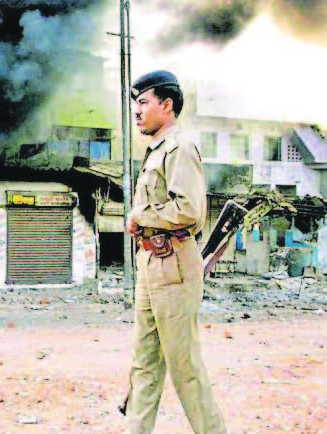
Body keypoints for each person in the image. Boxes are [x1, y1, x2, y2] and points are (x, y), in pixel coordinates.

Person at [124, 70, 227, 434]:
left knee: (184, 368)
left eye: (143, 102)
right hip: (151, 263)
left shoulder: (180, 148)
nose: (136, 110)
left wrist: (139, 215)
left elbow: (189, 210)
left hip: (175, 266)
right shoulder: (156, 152)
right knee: (144, 364)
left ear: (166, 106)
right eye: (135, 103)